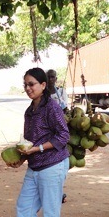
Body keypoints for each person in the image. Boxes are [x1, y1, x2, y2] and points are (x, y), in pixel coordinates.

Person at [1, 67, 70, 217]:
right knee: (24, 206)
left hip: (53, 165)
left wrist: (38, 148)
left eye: (31, 84)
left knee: (50, 210)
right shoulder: (29, 111)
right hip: (35, 165)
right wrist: (21, 159)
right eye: (25, 84)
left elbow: (63, 136)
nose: (28, 88)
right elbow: (28, 142)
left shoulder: (52, 108)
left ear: (43, 85)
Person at [47, 68, 69, 204]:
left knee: (61, 166)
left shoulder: (61, 92)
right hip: (48, 134)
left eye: (53, 77)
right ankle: (55, 193)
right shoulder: (42, 94)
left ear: (56, 78)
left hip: (59, 132)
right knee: (51, 165)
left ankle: (58, 192)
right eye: (48, 77)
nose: (51, 79)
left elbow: (65, 108)